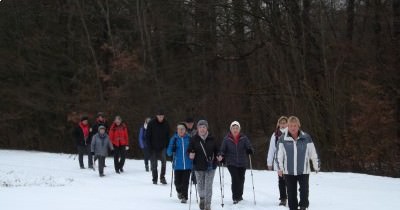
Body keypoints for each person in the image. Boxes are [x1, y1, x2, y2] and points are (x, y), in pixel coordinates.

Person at [277, 116, 320, 210]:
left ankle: (303, 207)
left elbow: (313, 153)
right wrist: (280, 168)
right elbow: (279, 155)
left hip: (303, 170)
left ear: (298, 126)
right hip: (289, 171)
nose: (293, 128)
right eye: (291, 125)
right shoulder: (282, 139)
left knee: (304, 191)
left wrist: (316, 165)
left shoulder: (306, 137)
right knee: (291, 193)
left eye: (295, 126)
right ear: (288, 126)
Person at [217, 121, 254, 204]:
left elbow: (249, 147)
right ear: (231, 129)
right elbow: (222, 150)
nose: (235, 130)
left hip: (242, 162)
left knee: (241, 179)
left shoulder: (244, 138)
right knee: (235, 179)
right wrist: (221, 155)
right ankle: (235, 197)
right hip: (231, 162)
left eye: (237, 128)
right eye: (233, 128)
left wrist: (250, 150)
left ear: (239, 129)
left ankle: (240, 196)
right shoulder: (226, 139)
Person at [188, 120, 219, 210]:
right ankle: (202, 198)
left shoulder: (212, 138)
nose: (202, 129)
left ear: (207, 128)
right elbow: (189, 150)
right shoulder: (194, 139)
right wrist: (190, 154)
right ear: (197, 128)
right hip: (198, 166)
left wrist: (219, 155)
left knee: (208, 186)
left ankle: (208, 205)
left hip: (211, 166)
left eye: (204, 127)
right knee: (200, 185)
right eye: (200, 127)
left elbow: (217, 150)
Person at [167, 122, 192, 203]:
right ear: (177, 130)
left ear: (185, 130)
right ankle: (179, 192)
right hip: (177, 165)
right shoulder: (174, 139)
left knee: (185, 182)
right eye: (179, 129)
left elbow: (194, 149)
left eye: (182, 129)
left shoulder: (189, 138)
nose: (180, 130)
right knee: (177, 183)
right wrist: (172, 149)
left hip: (187, 165)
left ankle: (185, 197)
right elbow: (168, 152)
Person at [266, 116, 288, 206]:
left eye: (284, 123)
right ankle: (283, 198)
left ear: (287, 123)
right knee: (281, 180)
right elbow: (271, 149)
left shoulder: (291, 132)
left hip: (290, 161)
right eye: (281, 123)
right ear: (278, 124)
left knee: (290, 180)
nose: (282, 124)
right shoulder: (275, 135)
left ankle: (291, 196)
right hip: (279, 161)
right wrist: (269, 162)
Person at [146, 110, 170, 184]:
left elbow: (168, 135)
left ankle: (162, 177)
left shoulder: (166, 123)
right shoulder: (151, 123)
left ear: (163, 116)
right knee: (154, 164)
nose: (160, 117)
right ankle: (155, 179)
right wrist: (149, 147)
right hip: (153, 147)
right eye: (159, 116)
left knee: (164, 163)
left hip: (163, 147)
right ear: (156, 116)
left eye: (162, 116)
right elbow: (147, 136)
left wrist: (167, 145)